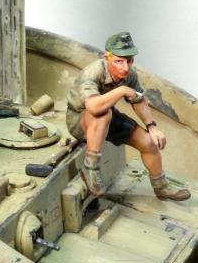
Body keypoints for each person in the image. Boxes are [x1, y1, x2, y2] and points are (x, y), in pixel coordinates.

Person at [67, 32, 191, 201]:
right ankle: (90, 169)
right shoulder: (92, 73)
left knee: (148, 142)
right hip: (80, 120)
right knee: (103, 114)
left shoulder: (129, 74)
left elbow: (138, 100)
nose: (125, 67)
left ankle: (161, 186)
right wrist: (121, 90)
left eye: (129, 61)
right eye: (119, 61)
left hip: (107, 117)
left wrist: (152, 127)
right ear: (107, 57)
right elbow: (94, 108)